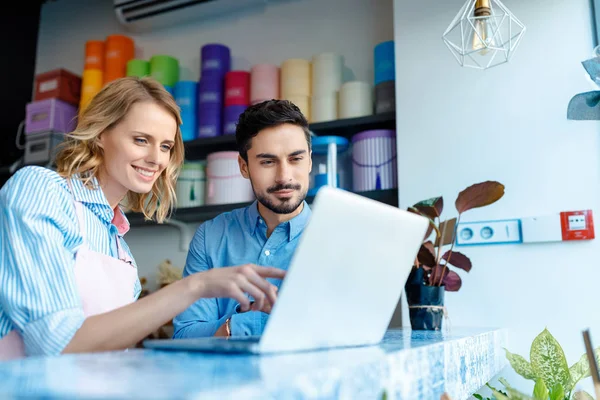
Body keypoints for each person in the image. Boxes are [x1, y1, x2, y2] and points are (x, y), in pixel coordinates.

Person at [0, 77, 284, 359]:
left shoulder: (121, 251)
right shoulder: (41, 189)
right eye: (140, 140)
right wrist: (195, 287)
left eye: (165, 146)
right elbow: (56, 345)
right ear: (100, 133)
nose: (156, 159)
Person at [173, 99, 312, 338]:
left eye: (295, 159)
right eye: (268, 162)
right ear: (244, 167)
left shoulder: (339, 238)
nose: (284, 176)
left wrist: (234, 325)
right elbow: (186, 335)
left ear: (309, 160)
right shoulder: (210, 237)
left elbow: (353, 332)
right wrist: (255, 322)